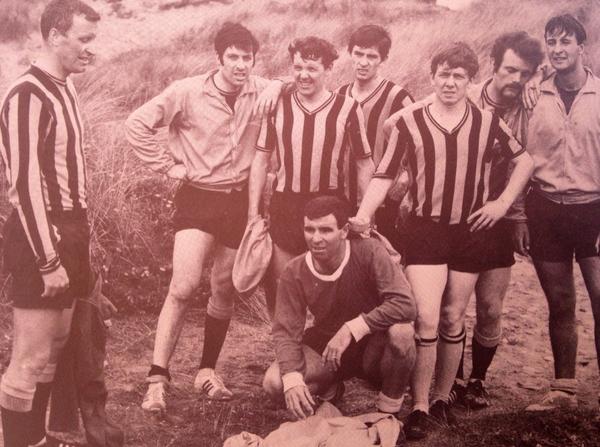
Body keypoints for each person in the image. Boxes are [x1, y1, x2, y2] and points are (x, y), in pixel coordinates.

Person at [352, 42, 534, 439]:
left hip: (471, 229)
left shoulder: (487, 121)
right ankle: (418, 405)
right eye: (443, 74)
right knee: (428, 317)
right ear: (432, 76)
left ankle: (441, 398)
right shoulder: (409, 120)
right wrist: (364, 213)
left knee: (454, 316)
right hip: (425, 228)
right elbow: (384, 175)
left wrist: (501, 204)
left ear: (470, 81)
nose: (450, 83)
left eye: (459, 76)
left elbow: (525, 161)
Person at [125, 22, 284, 413]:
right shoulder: (187, 90)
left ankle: (207, 371)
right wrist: (169, 167)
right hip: (197, 198)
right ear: (219, 58)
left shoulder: (262, 90)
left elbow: (293, 86)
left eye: (247, 58)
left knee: (224, 288)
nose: (241, 65)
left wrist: (279, 85)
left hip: (239, 202)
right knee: (183, 285)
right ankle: (157, 378)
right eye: (233, 57)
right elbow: (136, 124)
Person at [0, 1, 101, 446]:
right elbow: (24, 186)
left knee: (55, 349)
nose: (90, 51)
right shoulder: (27, 94)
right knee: (29, 358)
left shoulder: (65, 86)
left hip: (70, 230)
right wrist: (47, 260)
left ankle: (36, 438)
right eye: (84, 39)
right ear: (55, 36)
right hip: (41, 235)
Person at [445, 31, 544, 409]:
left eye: (526, 74)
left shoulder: (531, 104)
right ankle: (449, 377)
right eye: (510, 71)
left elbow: (525, 164)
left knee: (490, 307)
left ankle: (477, 380)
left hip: (501, 217)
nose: (516, 81)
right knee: (450, 305)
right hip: (458, 214)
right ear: (493, 66)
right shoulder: (464, 96)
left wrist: (513, 213)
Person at [511, 14, 600, 412]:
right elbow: (519, 157)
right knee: (560, 302)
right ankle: (563, 389)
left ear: (583, 47)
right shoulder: (532, 95)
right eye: (552, 42)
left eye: (566, 42)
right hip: (545, 209)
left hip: (593, 210)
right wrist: (518, 216)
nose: (559, 49)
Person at [247, 36, 374, 315]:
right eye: (298, 68)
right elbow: (260, 160)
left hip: (330, 205)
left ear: (329, 70)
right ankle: (284, 355)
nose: (303, 75)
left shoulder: (348, 108)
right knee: (283, 284)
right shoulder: (277, 105)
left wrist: (366, 213)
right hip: (286, 204)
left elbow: (364, 163)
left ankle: (324, 349)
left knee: (329, 287)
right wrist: (252, 212)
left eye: (312, 69)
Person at [262, 196, 416, 421]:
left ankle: (388, 413)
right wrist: (293, 378)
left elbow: (405, 304)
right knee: (275, 383)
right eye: (310, 229)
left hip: (374, 343)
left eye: (326, 230)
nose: (316, 238)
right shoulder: (294, 270)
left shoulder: (370, 251)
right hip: (330, 346)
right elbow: (285, 331)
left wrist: (351, 328)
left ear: (344, 231)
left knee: (402, 333)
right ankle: (331, 387)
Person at [337, 25, 414, 250]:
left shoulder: (398, 97)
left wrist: (404, 181)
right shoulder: (339, 94)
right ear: (350, 53)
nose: (363, 62)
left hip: (383, 201)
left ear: (383, 59)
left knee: (382, 262)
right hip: (343, 196)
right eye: (358, 54)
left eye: (372, 56)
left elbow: (420, 146)